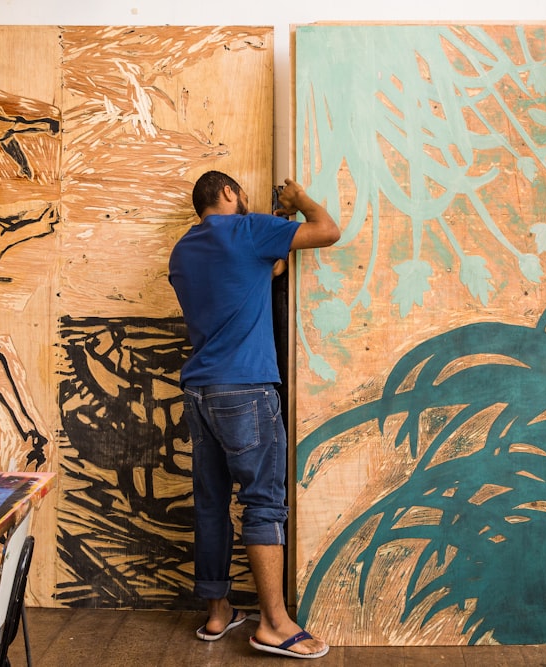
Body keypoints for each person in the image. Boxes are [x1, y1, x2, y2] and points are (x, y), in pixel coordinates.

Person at [168, 171, 340, 659]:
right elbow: (328, 230)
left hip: (199, 392)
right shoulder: (248, 230)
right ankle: (274, 623)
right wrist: (298, 198)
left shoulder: (183, 251)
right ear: (227, 194)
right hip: (244, 389)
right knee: (263, 503)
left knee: (211, 504)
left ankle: (218, 613)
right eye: (241, 193)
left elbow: (258, 275)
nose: (246, 199)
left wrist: (272, 246)